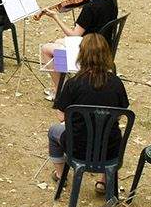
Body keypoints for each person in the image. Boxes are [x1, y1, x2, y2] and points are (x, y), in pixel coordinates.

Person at [47, 33, 130, 187]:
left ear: (82, 55)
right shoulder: (116, 83)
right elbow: (120, 113)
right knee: (109, 133)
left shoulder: (73, 84)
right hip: (110, 149)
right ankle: (103, 181)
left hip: (77, 148)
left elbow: (61, 115)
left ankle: (60, 175)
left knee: (53, 131)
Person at [38, 0, 118, 100]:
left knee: (46, 49)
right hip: (104, 45)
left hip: (89, 50)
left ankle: (60, 91)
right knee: (58, 42)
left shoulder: (91, 7)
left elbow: (74, 34)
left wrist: (56, 17)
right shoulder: (112, 0)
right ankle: (62, 84)